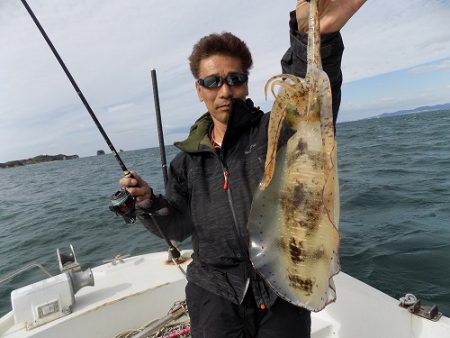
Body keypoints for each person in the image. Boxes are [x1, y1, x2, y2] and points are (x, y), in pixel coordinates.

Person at [120, 1, 366, 337]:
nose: (224, 90)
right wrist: (149, 203)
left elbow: (304, 99)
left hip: (280, 287)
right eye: (212, 81)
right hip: (214, 294)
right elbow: (177, 226)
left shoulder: (272, 134)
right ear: (198, 90)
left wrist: (310, 35)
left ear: (246, 85)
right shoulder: (186, 164)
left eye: (235, 79)